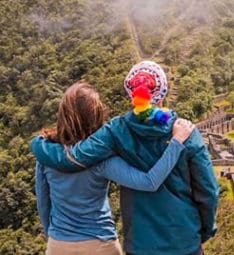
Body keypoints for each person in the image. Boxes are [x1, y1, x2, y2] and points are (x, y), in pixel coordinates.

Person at [31, 61, 219, 255]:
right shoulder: (187, 132)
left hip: (137, 244)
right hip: (183, 241)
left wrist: (39, 146)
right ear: (163, 92)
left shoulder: (117, 131)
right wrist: (203, 232)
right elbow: (208, 190)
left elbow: (47, 199)